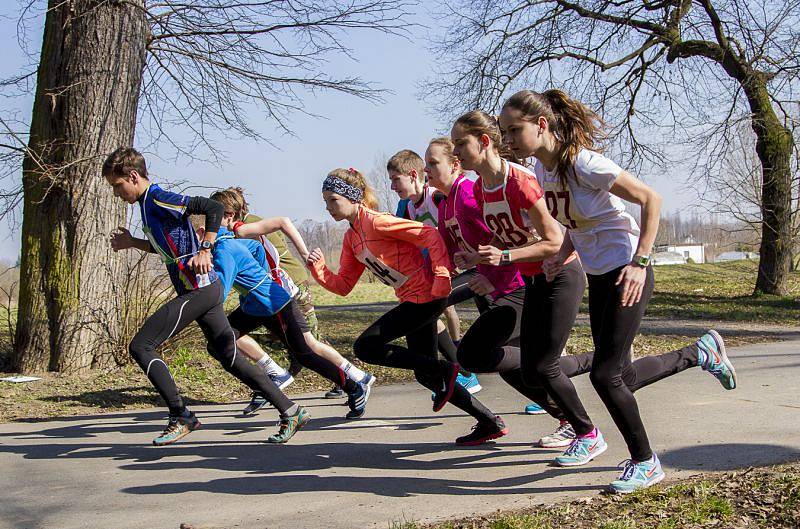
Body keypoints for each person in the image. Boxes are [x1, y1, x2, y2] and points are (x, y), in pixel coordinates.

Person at [498, 89, 737, 493]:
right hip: (599, 276)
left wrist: (640, 264)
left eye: (513, 130)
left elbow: (650, 199)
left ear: (541, 125)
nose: (507, 140)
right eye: (503, 132)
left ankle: (646, 462)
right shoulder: (543, 171)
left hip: (627, 272)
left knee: (606, 376)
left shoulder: (585, 164)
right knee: (620, 374)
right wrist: (564, 253)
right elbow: (577, 222)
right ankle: (699, 352)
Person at [104, 146, 305, 446]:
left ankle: (181, 415)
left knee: (142, 345)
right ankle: (291, 410)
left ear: (132, 176)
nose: (117, 193)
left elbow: (212, 210)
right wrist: (133, 242)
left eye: (117, 186)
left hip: (200, 288)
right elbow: (169, 250)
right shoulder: (147, 205)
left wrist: (206, 247)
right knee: (228, 355)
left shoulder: (158, 197)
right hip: (197, 289)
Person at [307, 167, 507, 445]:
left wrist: (439, 273)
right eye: (326, 201)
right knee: (427, 375)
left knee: (365, 346)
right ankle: (488, 421)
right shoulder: (352, 237)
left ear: (353, 198)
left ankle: (448, 370)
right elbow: (343, 286)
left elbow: (429, 234)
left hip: (426, 295)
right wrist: (318, 270)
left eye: (333, 200)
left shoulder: (378, 222)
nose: (328, 207)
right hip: (411, 299)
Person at [210, 189, 375, 415]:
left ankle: (354, 385)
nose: (209, 224)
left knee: (306, 352)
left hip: (274, 299)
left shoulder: (241, 229)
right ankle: (272, 373)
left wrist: (279, 269)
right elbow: (256, 249)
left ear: (228, 216)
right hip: (255, 303)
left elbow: (282, 222)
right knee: (221, 338)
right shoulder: (228, 237)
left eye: (213, 218)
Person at [387, 149, 481, 394]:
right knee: (427, 311)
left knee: (513, 332)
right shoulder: (405, 207)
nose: (392, 186)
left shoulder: (437, 197)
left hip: (473, 267)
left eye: (396, 180)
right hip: (438, 273)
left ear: (413, 175)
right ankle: (458, 373)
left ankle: (460, 371)